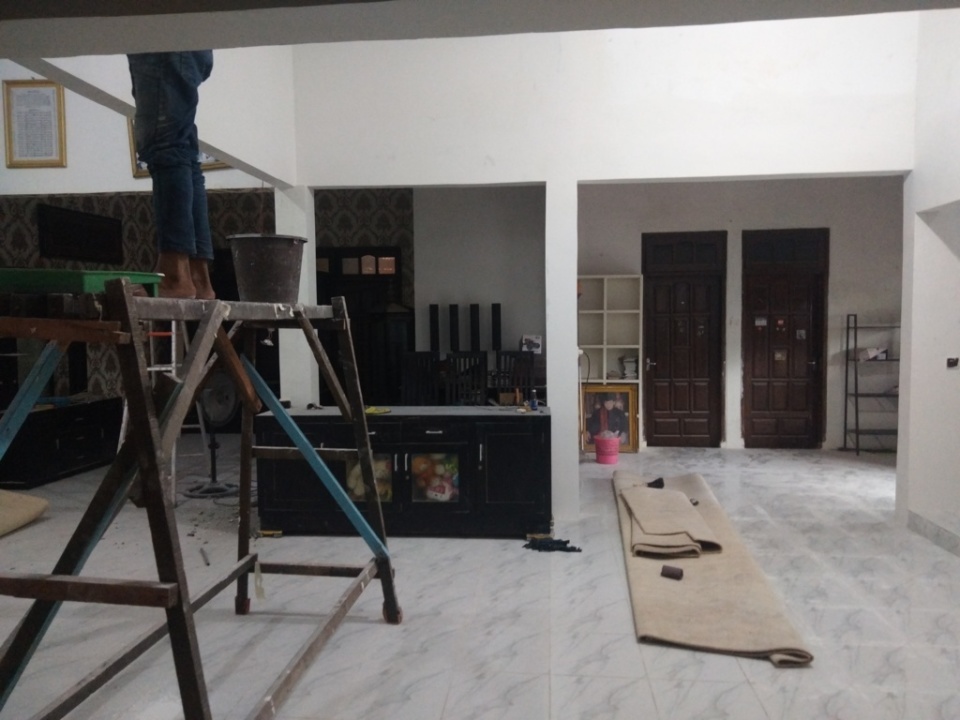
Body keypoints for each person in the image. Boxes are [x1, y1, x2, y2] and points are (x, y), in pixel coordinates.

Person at [128, 51, 216, 299]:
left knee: (165, 147)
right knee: (183, 152)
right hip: (189, 47)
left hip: (163, 46)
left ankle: (175, 275)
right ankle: (197, 278)